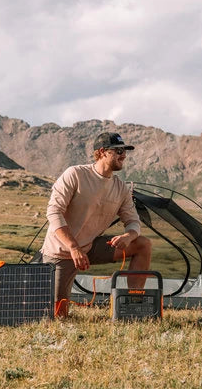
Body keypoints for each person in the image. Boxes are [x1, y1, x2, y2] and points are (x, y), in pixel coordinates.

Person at [40, 132, 152, 317]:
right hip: (61, 252)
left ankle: (134, 306)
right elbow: (54, 212)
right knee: (57, 314)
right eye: (118, 151)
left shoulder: (121, 188)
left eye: (124, 151)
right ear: (102, 152)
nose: (123, 155)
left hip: (90, 247)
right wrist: (74, 248)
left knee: (142, 244)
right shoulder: (75, 174)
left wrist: (128, 236)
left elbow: (133, 222)